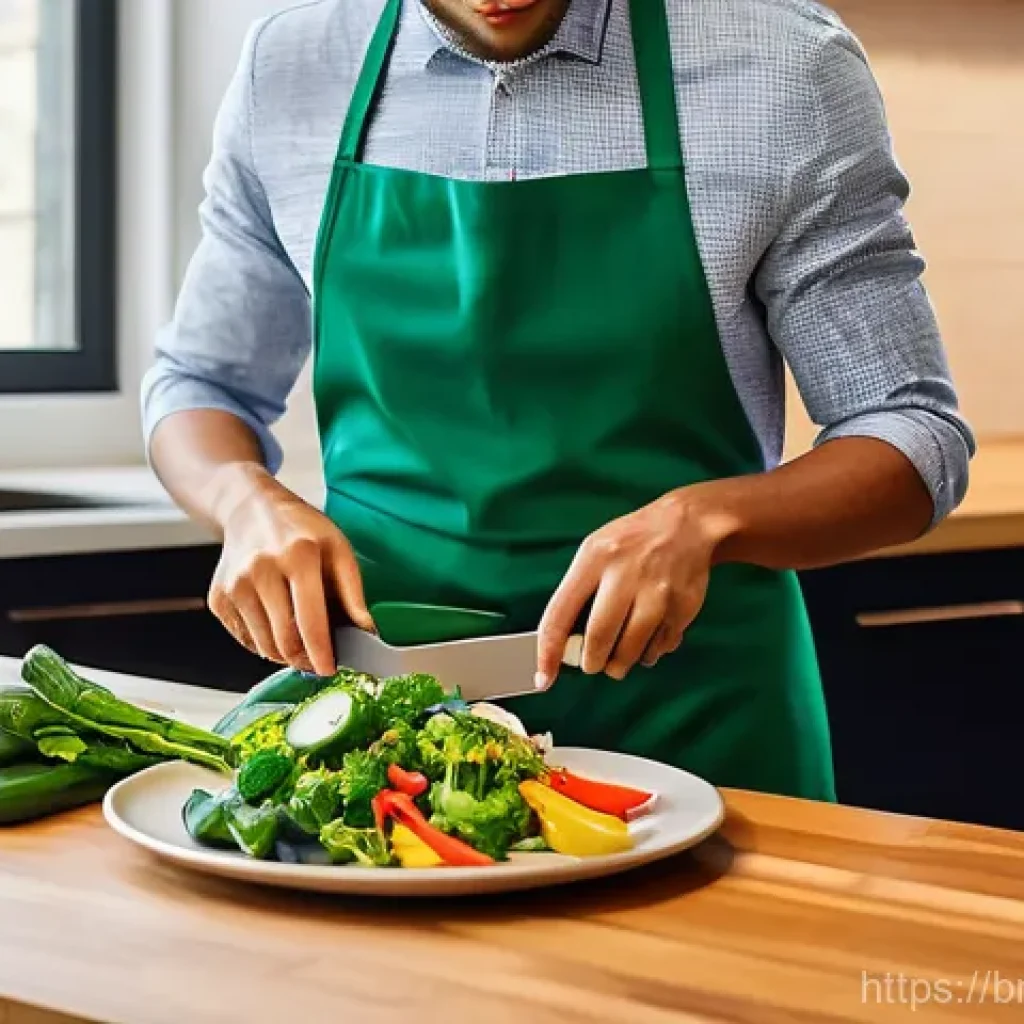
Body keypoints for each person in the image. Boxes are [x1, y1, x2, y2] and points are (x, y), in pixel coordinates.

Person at [143, 0, 974, 802]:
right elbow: (200, 385)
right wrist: (244, 501)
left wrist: (706, 521)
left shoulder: (786, 68)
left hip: (698, 718)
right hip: (384, 736)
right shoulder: (288, 68)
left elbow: (910, 434)